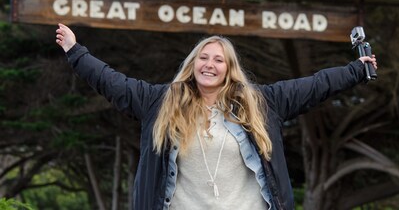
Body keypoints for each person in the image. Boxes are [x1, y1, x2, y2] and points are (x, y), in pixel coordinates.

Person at [56, 23, 377, 210]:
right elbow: (114, 84)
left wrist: (358, 69)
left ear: (229, 69)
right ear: (193, 64)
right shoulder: (160, 103)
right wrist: (75, 51)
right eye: (203, 57)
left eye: (218, 60)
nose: (209, 64)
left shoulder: (261, 103)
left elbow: (316, 85)